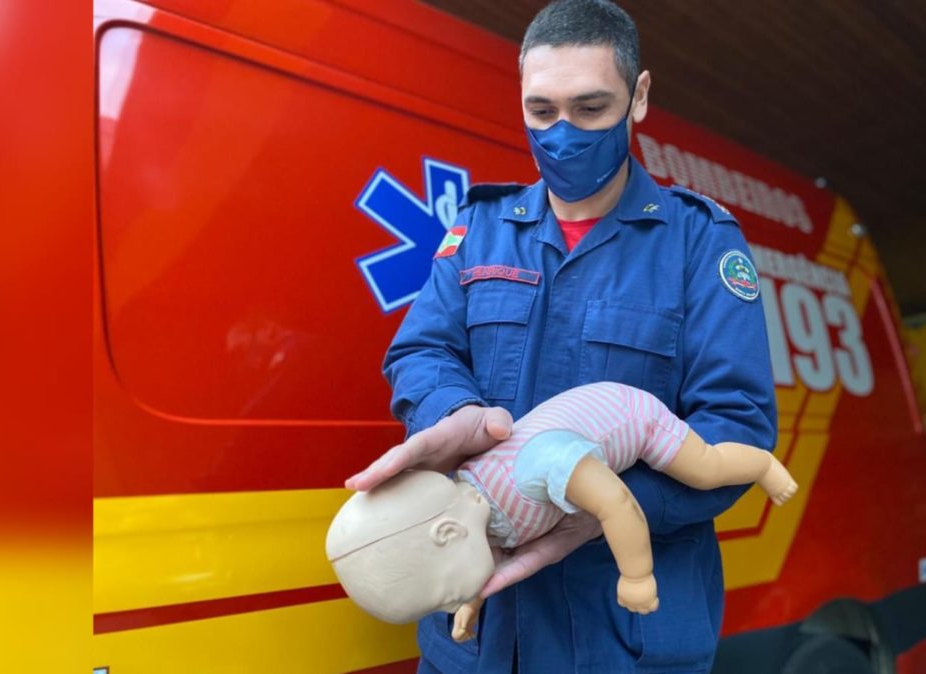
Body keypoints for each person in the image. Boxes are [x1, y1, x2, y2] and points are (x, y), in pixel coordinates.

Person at [346, 0, 777, 671]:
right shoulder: (479, 228)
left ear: (637, 98)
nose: (563, 133)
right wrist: (458, 416)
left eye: (590, 108)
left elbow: (736, 428)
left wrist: (605, 508)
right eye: (542, 111)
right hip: (478, 639)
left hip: (621, 641)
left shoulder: (699, 241)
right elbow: (422, 350)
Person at [329, 383, 796, 641]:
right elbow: (476, 558)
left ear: (448, 532)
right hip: (577, 455)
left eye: (447, 594)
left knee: (705, 468)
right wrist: (470, 604)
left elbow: (616, 503)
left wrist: (636, 575)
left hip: (631, 417)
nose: (450, 602)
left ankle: (762, 464)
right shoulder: (472, 513)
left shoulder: (534, 470)